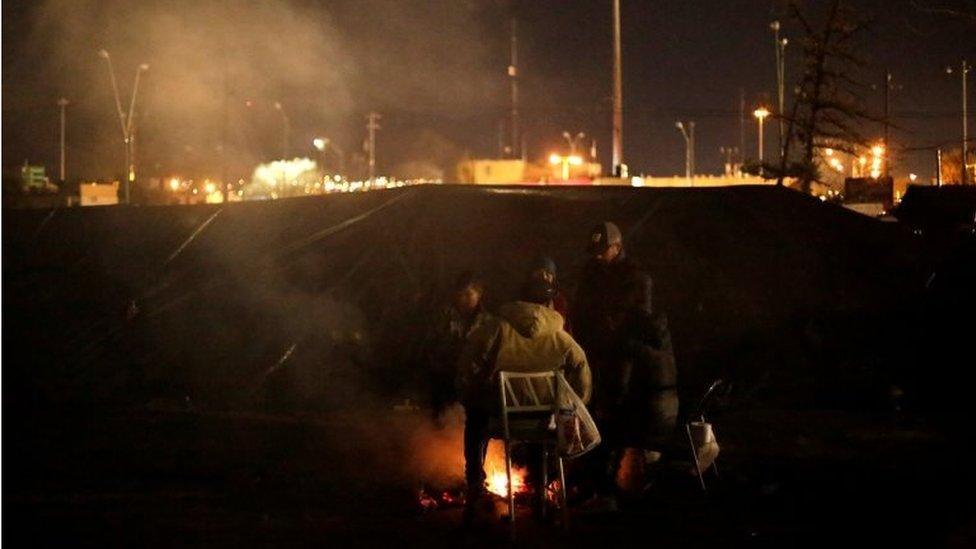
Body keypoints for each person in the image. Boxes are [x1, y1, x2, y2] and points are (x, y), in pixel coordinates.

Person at [456, 277, 591, 523]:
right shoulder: (559, 335)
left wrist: (471, 392)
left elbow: (467, 363)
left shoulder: (496, 328)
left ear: (519, 300)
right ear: (548, 302)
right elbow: (581, 366)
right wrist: (576, 403)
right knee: (539, 432)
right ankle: (540, 494)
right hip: (544, 421)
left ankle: (474, 486)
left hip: (501, 417)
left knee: (475, 420)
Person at [571, 221, 675, 509]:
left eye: (602, 250)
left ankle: (607, 489)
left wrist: (611, 335)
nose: (597, 256)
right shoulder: (592, 271)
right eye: (595, 251)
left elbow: (637, 321)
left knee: (611, 418)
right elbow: (581, 307)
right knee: (589, 414)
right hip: (594, 353)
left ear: (617, 247)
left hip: (621, 359)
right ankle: (593, 483)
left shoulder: (636, 277)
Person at [423, 271, 493, 425]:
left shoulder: (487, 321)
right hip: (446, 374)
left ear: (479, 295)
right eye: (461, 294)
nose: (464, 298)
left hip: (474, 378)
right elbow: (431, 344)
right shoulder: (444, 316)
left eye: (469, 294)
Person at [523, 256, 572, 334]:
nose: (544, 277)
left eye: (548, 273)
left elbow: (565, 329)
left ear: (553, 278)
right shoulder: (522, 299)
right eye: (539, 273)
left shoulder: (558, 300)